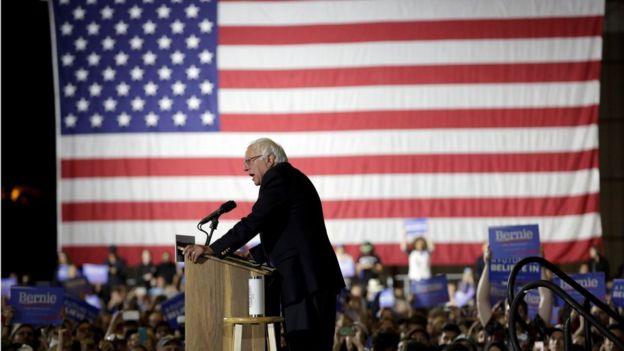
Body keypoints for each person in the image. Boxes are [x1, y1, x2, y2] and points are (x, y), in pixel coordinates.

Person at [184, 138, 345, 351]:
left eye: (249, 160)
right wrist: (253, 256)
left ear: (269, 159)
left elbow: (255, 221)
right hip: (312, 281)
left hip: (306, 282)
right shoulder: (290, 179)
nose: (244, 168)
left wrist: (213, 248)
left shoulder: (279, 177)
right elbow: (288, 232)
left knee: (306, 345)